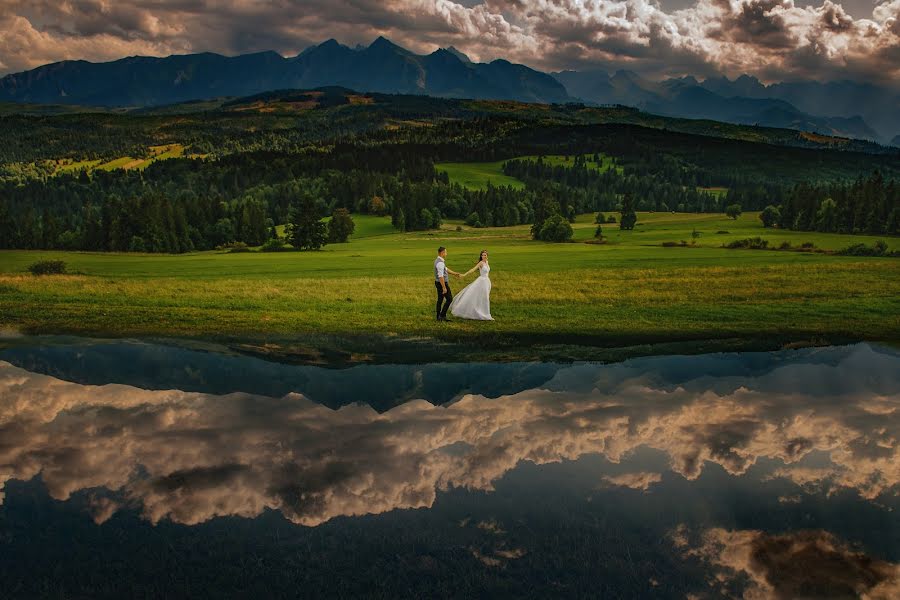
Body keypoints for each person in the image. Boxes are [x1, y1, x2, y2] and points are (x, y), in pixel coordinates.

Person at [449, 249, 493, 321]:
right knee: (480, 297)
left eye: (485, 255)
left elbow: (487, 272)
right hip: (481, 281)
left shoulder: (487, 262)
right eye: (482, 255)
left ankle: (484, 312)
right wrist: (464, 275)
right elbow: (472, 270)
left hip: (487, 281)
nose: (483, 256)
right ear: (481, 256)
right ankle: (483, 313)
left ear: (487, 256)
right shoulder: (481, 263)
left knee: (485, 297)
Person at [433, 246, 461, 321]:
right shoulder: (440, 263)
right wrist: (444, 287)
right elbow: (441, 276)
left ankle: (438, 317)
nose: (446, 254)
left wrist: (455, 273)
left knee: (440, 299)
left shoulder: (438, 261)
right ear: (442, 253)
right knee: (449, 299)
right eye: (446, 252)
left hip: (438, 283)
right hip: (442, 283)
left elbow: (446, 269)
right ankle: (442, 315)